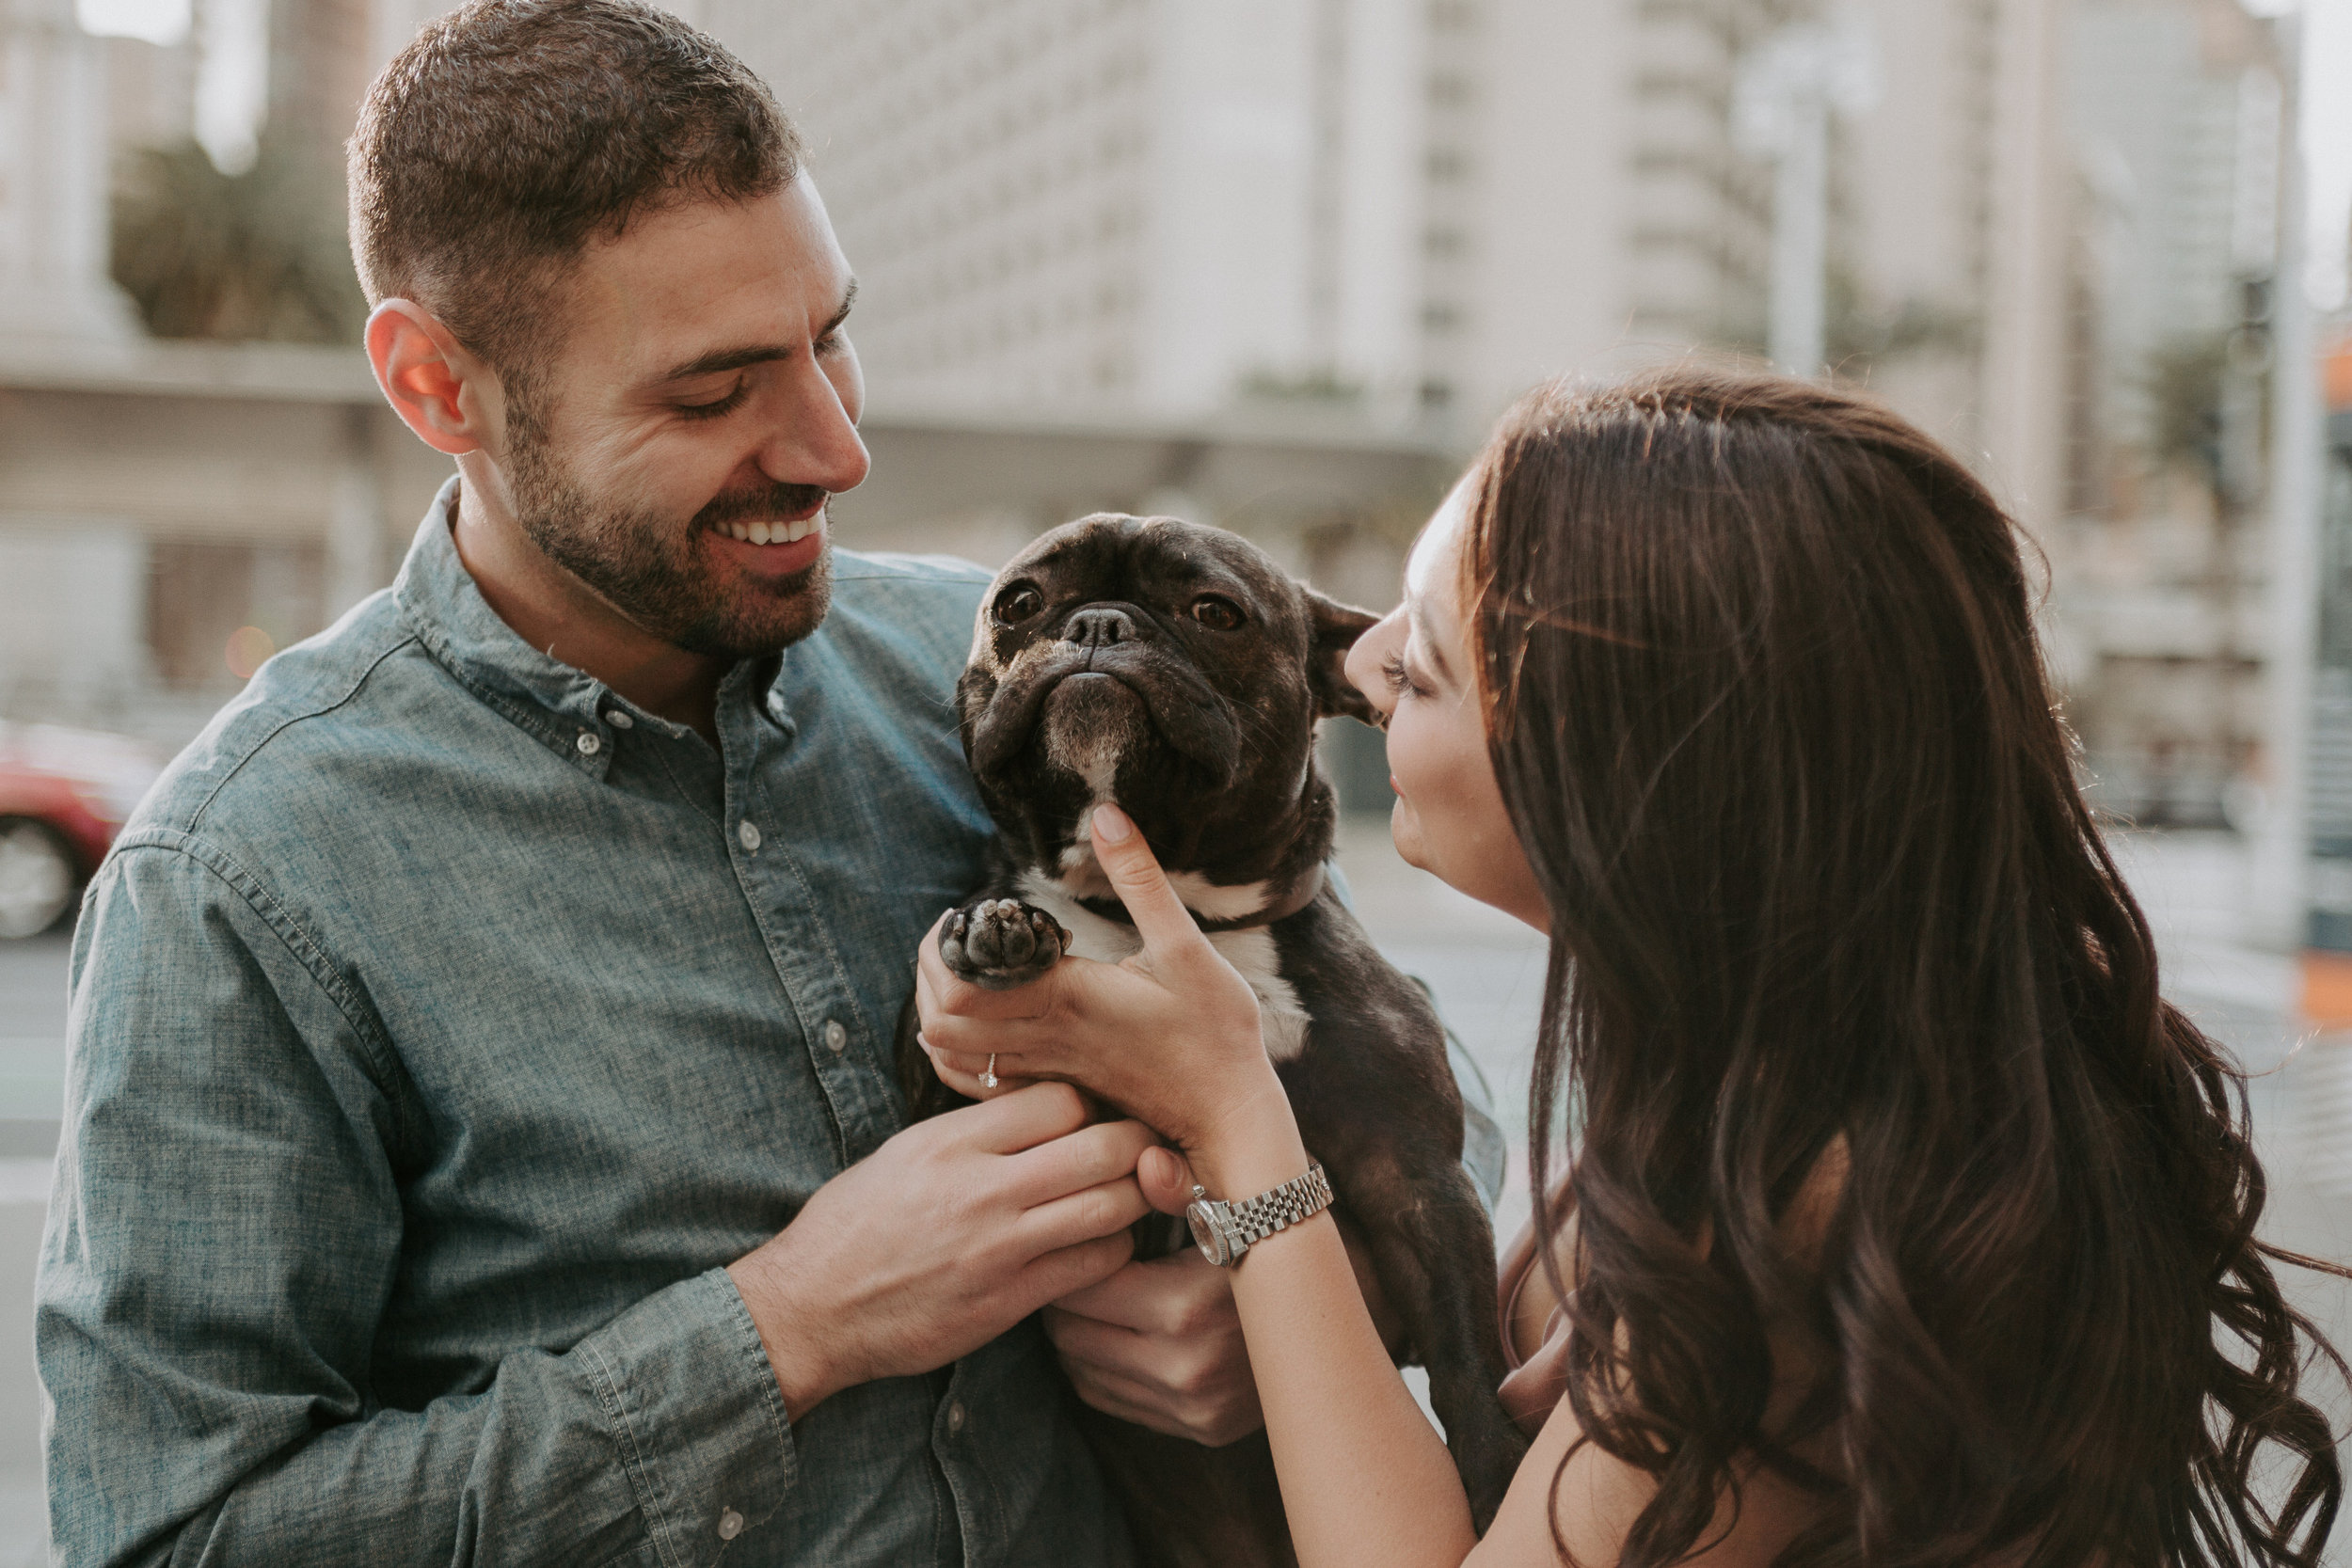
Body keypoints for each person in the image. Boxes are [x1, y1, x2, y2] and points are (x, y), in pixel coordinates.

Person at [34, 3, 1499, 1563]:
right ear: (437, 387)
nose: (831, 447)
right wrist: (783, 1330)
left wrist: (1279, 1286)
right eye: (713, 391)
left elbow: (1404, 1087)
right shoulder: (244, 878)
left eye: (830, 337)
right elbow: (176, 1537)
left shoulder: (997, 666)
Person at [918, 368, 2352, 1567]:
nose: (1358, 674)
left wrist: (1242, 1122)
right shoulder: (1761, 1083)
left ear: (1625, 773)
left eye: (1422, 673)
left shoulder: (1804, 1203)